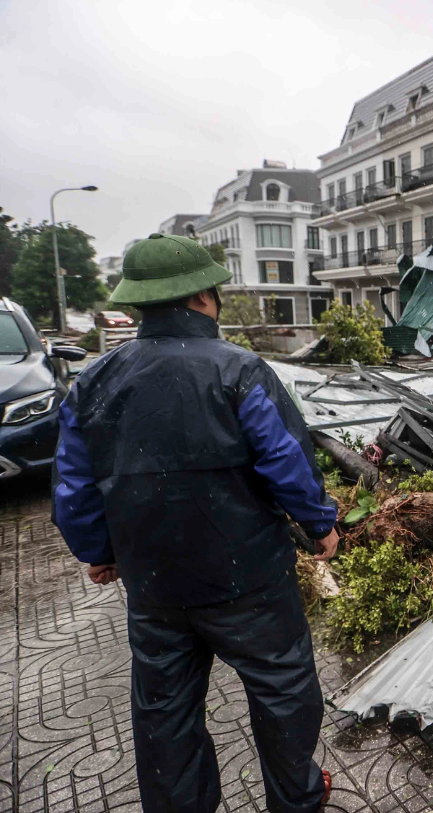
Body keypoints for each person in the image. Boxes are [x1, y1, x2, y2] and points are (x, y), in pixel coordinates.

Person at [51, 233, 339, 813]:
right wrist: (320, 524)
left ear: (138, 306)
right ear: (204, 298)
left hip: (154, 589)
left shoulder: (93, 383)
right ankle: (297, 801)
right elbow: (286, 460)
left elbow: (73, 488)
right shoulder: (240, 371)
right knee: (284, 696)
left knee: (165, 714)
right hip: (251, 583)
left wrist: (98, 551)